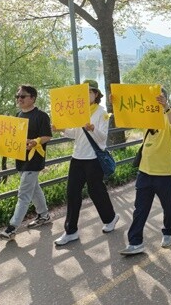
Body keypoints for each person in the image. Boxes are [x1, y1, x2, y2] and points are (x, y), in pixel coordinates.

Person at [53, 80, 119, 246]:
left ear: (96, 94)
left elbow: (103, 137)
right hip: (77, 158)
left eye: (89, 91)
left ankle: (110, 218)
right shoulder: (79, 111)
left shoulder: (102, 112)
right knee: (72, 193)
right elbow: (75, 134)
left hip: (94, 159)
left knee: (96, 191)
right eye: (83, 92)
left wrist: (93, 129)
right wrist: (61, 129)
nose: (86, 94)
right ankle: (71, 231)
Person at [120, 87, 171, 255]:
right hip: (145, 170)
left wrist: (166, 107)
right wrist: (117, 102)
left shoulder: (169, 116)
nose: (157, 100)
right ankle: (135, 242)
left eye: (160, 98)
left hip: (163, 172)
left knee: (167, 206)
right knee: (140, 208)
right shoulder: (147, 115)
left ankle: (168, 232)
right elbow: (127, 116)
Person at [0, 85, 53, 240]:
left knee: (23, 194)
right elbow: (12, 137)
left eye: (22, 96)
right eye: (17, 96)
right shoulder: (18, 115)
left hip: (34, 160)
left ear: (33, 98)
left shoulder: (41, 116)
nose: (19, 99)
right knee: (34, 189)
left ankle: (12, 228)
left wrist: (36, 142)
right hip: (20, 159)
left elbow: (47, 136)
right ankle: (44, 215)